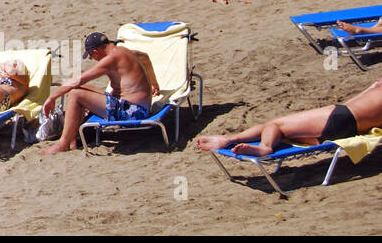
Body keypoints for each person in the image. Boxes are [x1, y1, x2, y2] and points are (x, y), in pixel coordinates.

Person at [40, 32, 159, 154]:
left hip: (133, 112)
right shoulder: (123, 50)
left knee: (76, 94)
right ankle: (72, 140)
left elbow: (79, 79)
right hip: (134, 106)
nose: (94, 60)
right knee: (79, 89)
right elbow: (144, 56)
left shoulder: (111, 59)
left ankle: (63, 143)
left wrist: (52, 97)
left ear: (95, 52)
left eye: (92, 57)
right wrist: (154, 83)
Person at [195, 79, 382, 155]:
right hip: (346, 120)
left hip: (342, 117)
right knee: (272, 127)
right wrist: (371, 88)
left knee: (276, 125)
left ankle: (264, 147)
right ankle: (230, 138)